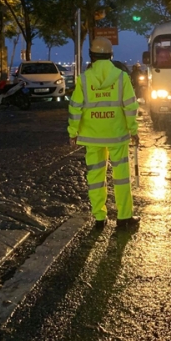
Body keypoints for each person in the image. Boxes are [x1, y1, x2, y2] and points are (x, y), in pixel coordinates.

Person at [68, 37, 140, 230]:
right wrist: (133, 130)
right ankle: (124, 217)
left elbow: (75, 108)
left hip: (92, 136)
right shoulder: (121, 77)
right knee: (122, 177)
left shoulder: (83, 79)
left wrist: (73, 132)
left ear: (91, 55)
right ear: (110, 55)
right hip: (117, 135)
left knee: (95, 177)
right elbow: (131, 107)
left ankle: (99, 218)